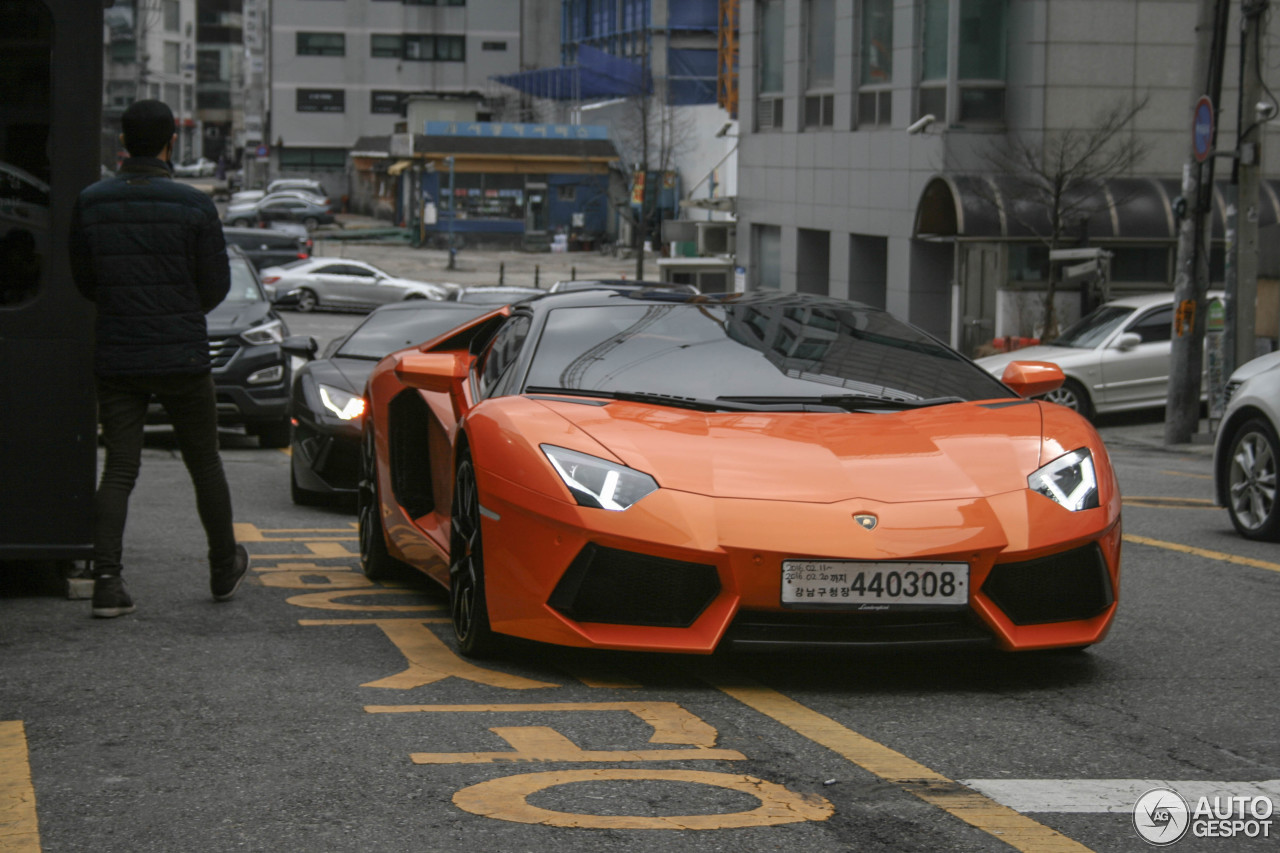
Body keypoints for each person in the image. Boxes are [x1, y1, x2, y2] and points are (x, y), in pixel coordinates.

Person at [69, 99, 248, 617]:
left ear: (123, 143)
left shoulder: (91, 202)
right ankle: (222, 567)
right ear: (173, 141)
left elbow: (85, 282)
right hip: (183, 356)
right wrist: (177, 309)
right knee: (205, 463)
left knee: (120, 468)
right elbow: (215, 287)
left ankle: (107, 581)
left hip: (119, 354)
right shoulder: (194, 205)